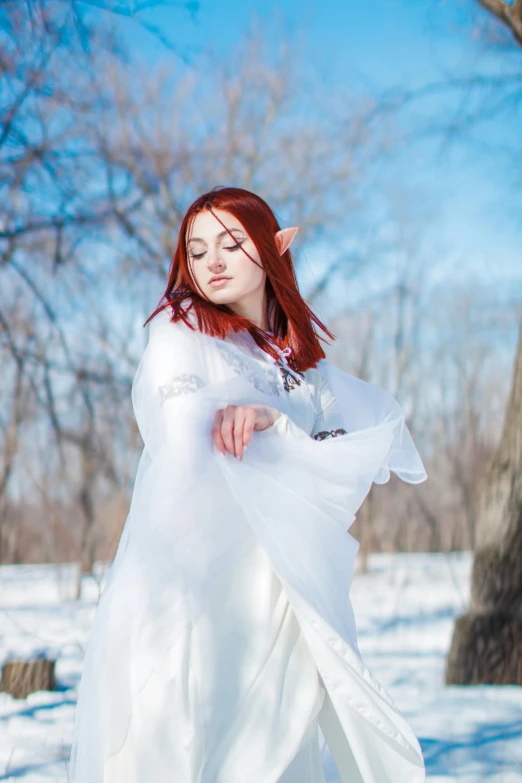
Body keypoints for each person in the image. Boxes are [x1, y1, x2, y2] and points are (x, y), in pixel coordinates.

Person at [68, 186, 428, 783]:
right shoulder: (181, 334)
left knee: (275, 758)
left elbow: (363, 449)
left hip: (282, 599)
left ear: (274, 247)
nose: (211, 260)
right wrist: (235, 420)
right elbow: (179, 434)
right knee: (184, 751)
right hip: (193, 596)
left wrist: (278, 425)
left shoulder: (299, 368)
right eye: (197, 248)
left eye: (232, 243)